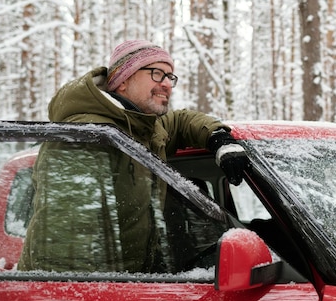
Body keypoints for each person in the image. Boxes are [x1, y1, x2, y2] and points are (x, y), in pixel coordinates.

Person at [18, 39, 249, 273]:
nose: (167, 84)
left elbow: (180, 121)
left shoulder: (139, 128)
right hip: (88, 295)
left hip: (126, 287)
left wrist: (218, 137)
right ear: (123, 80)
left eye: (170, 77)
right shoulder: (86, 138)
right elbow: (66, 251)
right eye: (157, 73)